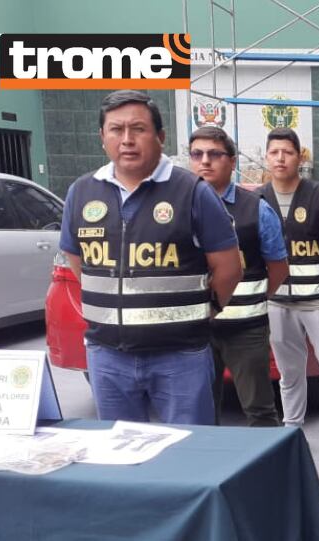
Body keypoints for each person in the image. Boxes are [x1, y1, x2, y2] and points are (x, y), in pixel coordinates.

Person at [59, 90, 240, 425]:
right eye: (116, 130)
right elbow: (77, 259)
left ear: (160, 137)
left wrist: (205, 309)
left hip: (180, 356)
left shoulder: (192, 192)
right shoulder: (81, 192)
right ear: (102, 137)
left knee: (188, 454)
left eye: (138, 129)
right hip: (107, 356)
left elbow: (228, 269)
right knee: (121, 458)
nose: (127, 139)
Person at [187, 126, 289, 427]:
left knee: (259, 411)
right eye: (197, 154)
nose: (205, 161)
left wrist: (252, 299)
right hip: (196, 328)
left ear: (232, 161)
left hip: (246, 331)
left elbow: (279, 268)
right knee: (201, 412)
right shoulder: (178, 208)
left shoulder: (257, 210)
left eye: (214, 154)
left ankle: (270, 472)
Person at [260, 127, 319, 429]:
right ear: (266, 157)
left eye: (287, 152)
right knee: (288, 376)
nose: (280, 158)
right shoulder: (257, 200)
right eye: (274, 152)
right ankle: (291, 432)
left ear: (299, 156)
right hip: (279, 304)